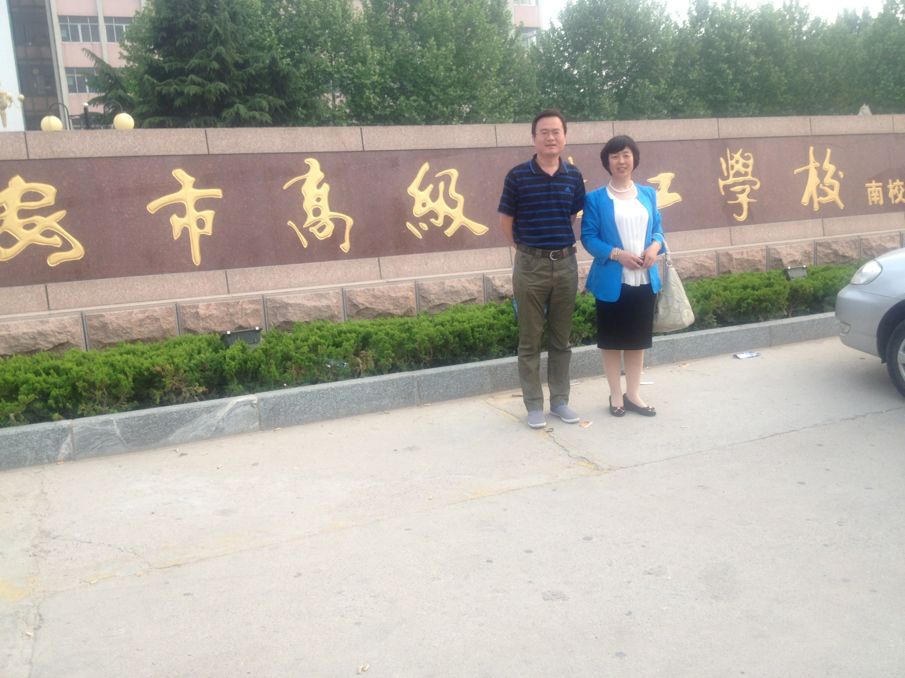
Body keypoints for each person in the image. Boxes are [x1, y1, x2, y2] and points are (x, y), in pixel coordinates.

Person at [498, 109, 586, 429]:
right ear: (534, 137)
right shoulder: (517, 176)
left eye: (556, 132)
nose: (550, 137)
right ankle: (533, 404)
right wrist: (526, 250)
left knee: (561, 339)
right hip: (530, 265)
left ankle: (560, 401)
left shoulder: (573, 176)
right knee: (530, 340)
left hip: (565, 264)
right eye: (544, 132)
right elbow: (506, 221)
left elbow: (571, 216)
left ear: (565, 137)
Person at [580, 135, 665, 417]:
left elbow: (658, 230)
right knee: (612, 341)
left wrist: (654, 247)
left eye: (626, 155)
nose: (621, 161)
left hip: (644, 279)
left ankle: (633, 394)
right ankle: (616, 394)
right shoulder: (595, 199)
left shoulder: (648, 194)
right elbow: (589, 238)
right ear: (607, 162)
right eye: (615, 156)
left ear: (634, 159)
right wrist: (618, 254)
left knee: (637, 340)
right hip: (612, 280)